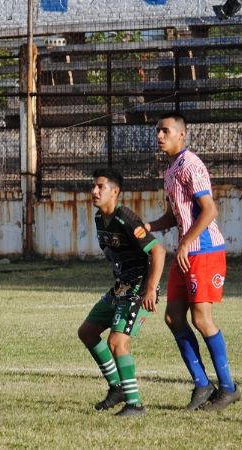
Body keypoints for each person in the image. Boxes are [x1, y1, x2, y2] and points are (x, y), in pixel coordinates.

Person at [141, 112, 238, 411]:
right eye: (158, 131)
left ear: (181, 134)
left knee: (201, 319)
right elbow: (175, 215)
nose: (159, 136)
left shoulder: (191, 164)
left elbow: (209, 210)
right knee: (173, 317)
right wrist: (149, 226)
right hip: (186, 252)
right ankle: (202, 385)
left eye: (165, 131)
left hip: (204, 250)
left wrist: (185, 243)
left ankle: (228, 388)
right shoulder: (170, 170)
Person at [77, 168, 165, 417]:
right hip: (121, 287)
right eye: (93, 186)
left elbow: (158, 251)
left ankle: (135, 404)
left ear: (115, 191)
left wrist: (150, 289)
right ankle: (117, 389)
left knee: (117, 342)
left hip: (139, 288)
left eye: (100, 187)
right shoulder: (99, 218)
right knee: (87, 332)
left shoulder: (125, 218)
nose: (94, 191)